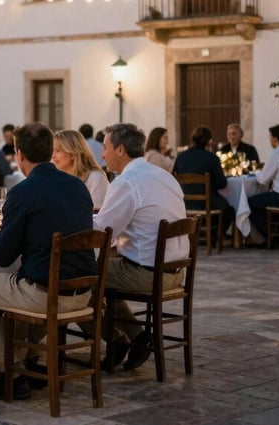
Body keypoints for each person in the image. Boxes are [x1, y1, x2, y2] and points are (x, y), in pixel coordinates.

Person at [0, 122, 96, 400]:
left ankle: (9, 370)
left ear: (19, 154)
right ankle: (25, 360)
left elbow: (2, 256)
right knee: (22, 281)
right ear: (49, 151)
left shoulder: (22, 192)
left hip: (46, 295)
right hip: (84, 294)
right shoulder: (78, 186)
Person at [93, 123, 188, 372]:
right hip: (176, 272)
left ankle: (118, 339)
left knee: (80, 274)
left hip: (147, 274)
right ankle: (135, 338)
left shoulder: (126, 182)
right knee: (103, 269)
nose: (102, 154)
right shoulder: (164, 176)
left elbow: (102, 231)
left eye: (105, 148)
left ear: (121, 149)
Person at [173, 125, 234, 234]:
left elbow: (174, 179)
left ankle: (199, 235)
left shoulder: (181, 157)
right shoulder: (211, 157)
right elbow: (222, 184)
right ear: (209, 141)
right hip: (207, 203)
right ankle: (213, 237)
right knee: (229, 211)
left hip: (184, 202)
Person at [51, 129, 109, 209]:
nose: (53, 156)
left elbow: (96, 214)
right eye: (52, 150)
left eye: (57, 151)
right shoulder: (55, 178)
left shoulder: (95, 178)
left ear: (72, 153)